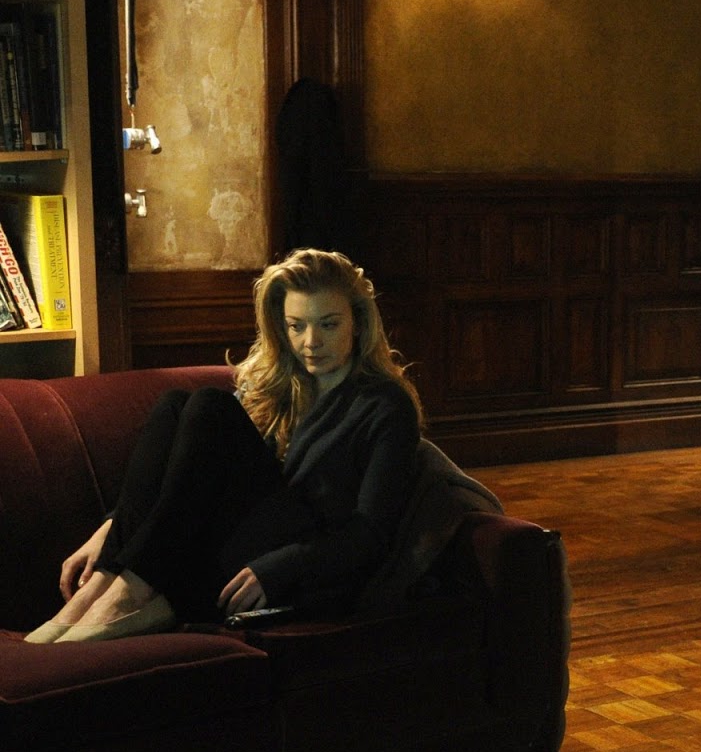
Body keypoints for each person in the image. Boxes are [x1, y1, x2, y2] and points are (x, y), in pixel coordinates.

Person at [25, 248, 423, 644]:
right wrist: (112, 531)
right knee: (174, 405)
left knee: (211, 406)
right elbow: (190, 476)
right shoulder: (276, 385)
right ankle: (102, 584)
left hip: (303, 558)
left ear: (359, 322)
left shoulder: (386, 405)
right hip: (240, 535)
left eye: (329, 324)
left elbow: (370, 534)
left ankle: (130, 593)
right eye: (296, 326)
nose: (311, 341)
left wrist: (277, 570)